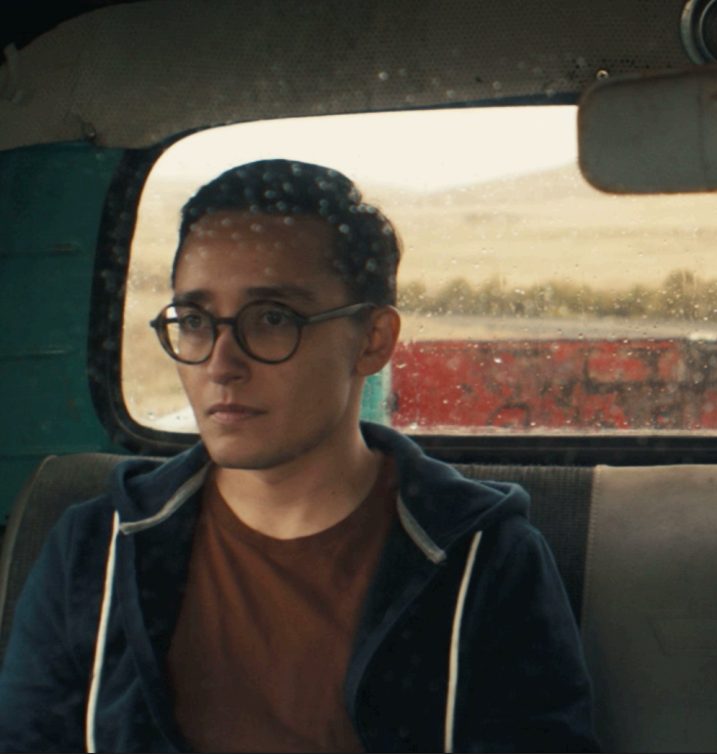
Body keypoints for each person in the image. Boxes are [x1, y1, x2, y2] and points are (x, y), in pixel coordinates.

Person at [0, 159, 598, 752]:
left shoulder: (484, 560)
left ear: (372, 341)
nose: (220, 363)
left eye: (272, 319)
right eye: (195, 320)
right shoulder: (96, 550)